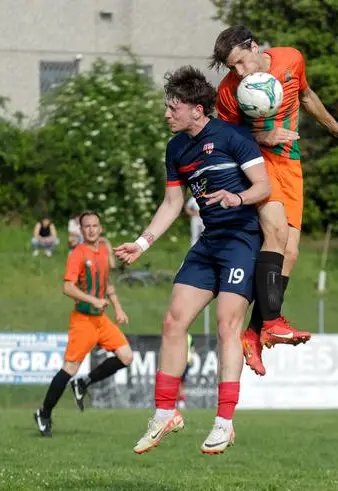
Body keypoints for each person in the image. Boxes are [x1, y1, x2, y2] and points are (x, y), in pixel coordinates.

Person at [115, 66, 271, 455]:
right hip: (209, 243)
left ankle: (224, 423)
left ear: (198, 110)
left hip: (242, 240)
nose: (167, 114)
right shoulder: (176, 149)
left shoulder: (232, 137)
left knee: (226, 326)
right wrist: (142, 243)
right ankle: (166, 413)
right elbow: (171, 204)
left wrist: (237, 199)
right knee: (173, 321)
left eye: (174, 107)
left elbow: (263, 186)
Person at [210, 26, 338, 376]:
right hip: (256, 165)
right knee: (275, 232)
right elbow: (226, 138)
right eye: (232, 68)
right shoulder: (228, 92)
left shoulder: (291, 59)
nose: (239, 73)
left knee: (290, 252)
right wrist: (263, 134)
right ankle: (271, 320)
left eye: (241, 62)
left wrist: (333, 126)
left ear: (254, 47)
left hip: (291, 163)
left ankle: (255, 334)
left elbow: (305, 96)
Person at [34, 211, 133, 437]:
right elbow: (67, 287)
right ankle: (44, 413)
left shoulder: (103, 251)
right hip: (83, 320)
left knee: (126, 356)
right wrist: (93, 300)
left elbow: (106, 282)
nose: (91, 229)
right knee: (69, 368)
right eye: (86, 226)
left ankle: (84, 383)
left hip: (101, 320)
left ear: (100, 228)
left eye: (95, 226)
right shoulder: (78, 254)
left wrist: (117, 307)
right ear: (81, 229)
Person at [178, 333, 195, 409]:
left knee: (178, 382)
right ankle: (181, 402)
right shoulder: (189, 336)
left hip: (179, 360)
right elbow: (192, 349)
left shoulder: (177, 334)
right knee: (182, 382)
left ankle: (179, 401)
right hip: (187, 361)